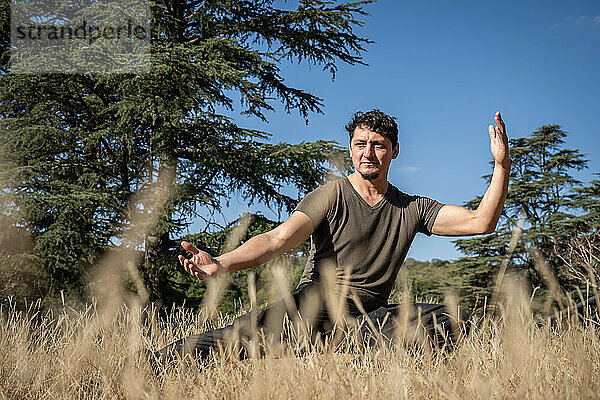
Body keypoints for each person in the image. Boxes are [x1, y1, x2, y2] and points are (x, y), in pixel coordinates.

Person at [155, 109, 510, 362]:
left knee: (447, 318)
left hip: (369, 321)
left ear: (395, 151)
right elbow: (277, 240)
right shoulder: (331, 195)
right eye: (360, 144)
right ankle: (144, 364)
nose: (368, 153)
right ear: (351, 148)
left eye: (379, 145)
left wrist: (501, 166)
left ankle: (337, 350)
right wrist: (222, 262)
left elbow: (481, 222)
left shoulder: (412, 207)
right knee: (227, 342)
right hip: (312, 308)